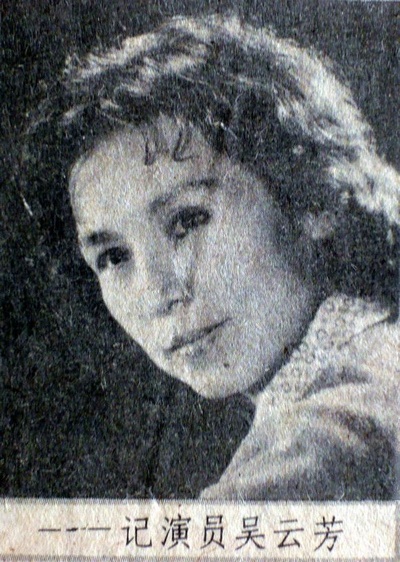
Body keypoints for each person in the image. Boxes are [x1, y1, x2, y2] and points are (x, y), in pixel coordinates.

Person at [33, 14, 400, 499]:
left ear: (313, 197)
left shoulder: (321, 446)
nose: (159, 293)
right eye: (115, 257)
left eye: (188, 220)